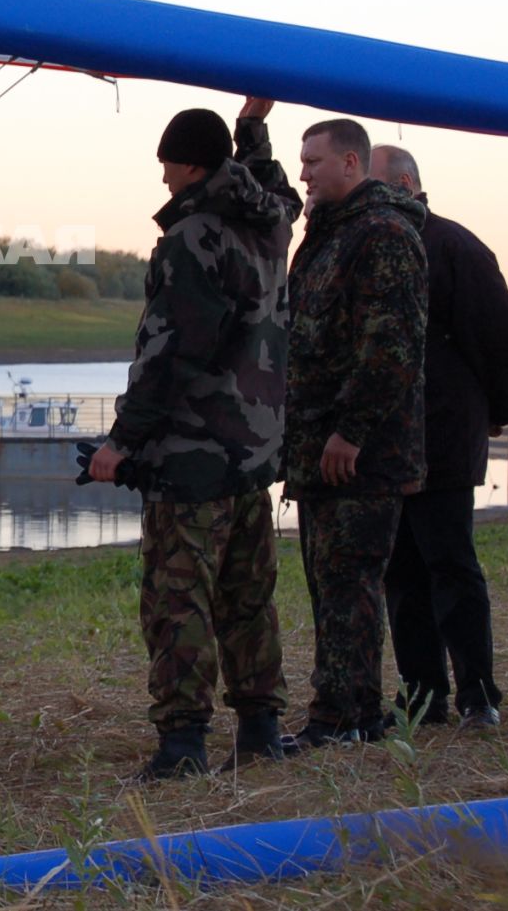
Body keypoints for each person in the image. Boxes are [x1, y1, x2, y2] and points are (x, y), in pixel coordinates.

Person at [89, 99, 299, 778]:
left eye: (169, 165)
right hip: (254, 453)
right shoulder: (271, 227)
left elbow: (173, 352)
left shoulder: (192, 239)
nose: (164, 180)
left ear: (192, 164)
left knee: (179, 600)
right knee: (248, 596)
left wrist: (121, 442)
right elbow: (274, 187)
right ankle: (262, 728)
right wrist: (253, 129)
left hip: (191, 458)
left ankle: (183, 743)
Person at [371, 145, 508, 730]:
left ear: (408, 183)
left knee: (451, 566)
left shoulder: (453, 246)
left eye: (375, 181)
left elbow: (506, 335)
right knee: (401, 574)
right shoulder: (375, 244)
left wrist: (496, 411)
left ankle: (478, 695)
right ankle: (422, 697)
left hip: (441, 436)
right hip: (388, 444)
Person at [284, 119, 428, 747]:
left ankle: (346, 719)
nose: (304, 173)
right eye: (301, 161)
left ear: (351, 162)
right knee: (329, 581)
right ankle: (345, 710)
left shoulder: (385, 234)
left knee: (351, 584)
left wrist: (351, 430)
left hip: (361, 453)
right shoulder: (327, 234)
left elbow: (391, 346)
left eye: (313, 162)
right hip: (319, 447)